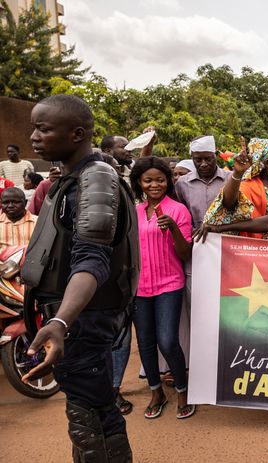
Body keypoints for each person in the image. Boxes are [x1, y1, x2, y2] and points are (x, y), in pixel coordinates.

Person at [20, 94, 139, 462]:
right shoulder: (72, 179)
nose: (34, 136)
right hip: (77, 319)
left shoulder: (95, 181)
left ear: (76, 134)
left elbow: (92, 261)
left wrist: (59, 321)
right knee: (95, 409)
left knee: (89, 417)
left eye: (43, 128)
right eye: (34, 127)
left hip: (82, 322)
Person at [129, 157, 195, 419]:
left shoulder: (178, 210)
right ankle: (155, 392)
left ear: (168, 181)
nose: (154, 184)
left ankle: (182, 391)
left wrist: (173, 230)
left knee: (167, 341)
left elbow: (186, 251)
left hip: (170, 283)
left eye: (160, 179)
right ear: (139, 183)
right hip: (140, 287)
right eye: (148, 180)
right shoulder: (134, 212)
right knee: (145, 342)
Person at [174, 135, 232, 230]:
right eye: (198, 160)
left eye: (208, 159)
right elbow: (180, 214)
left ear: (215, 156)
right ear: (192, 158)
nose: (204, 164)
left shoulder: (230, 178)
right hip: (196, 240)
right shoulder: (182, 183)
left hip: (226, 239)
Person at [0, 187, 37, 252]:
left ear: (25, 203)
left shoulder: (38, 222)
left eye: (15, 202)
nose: (10, 206)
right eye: (5, 202)